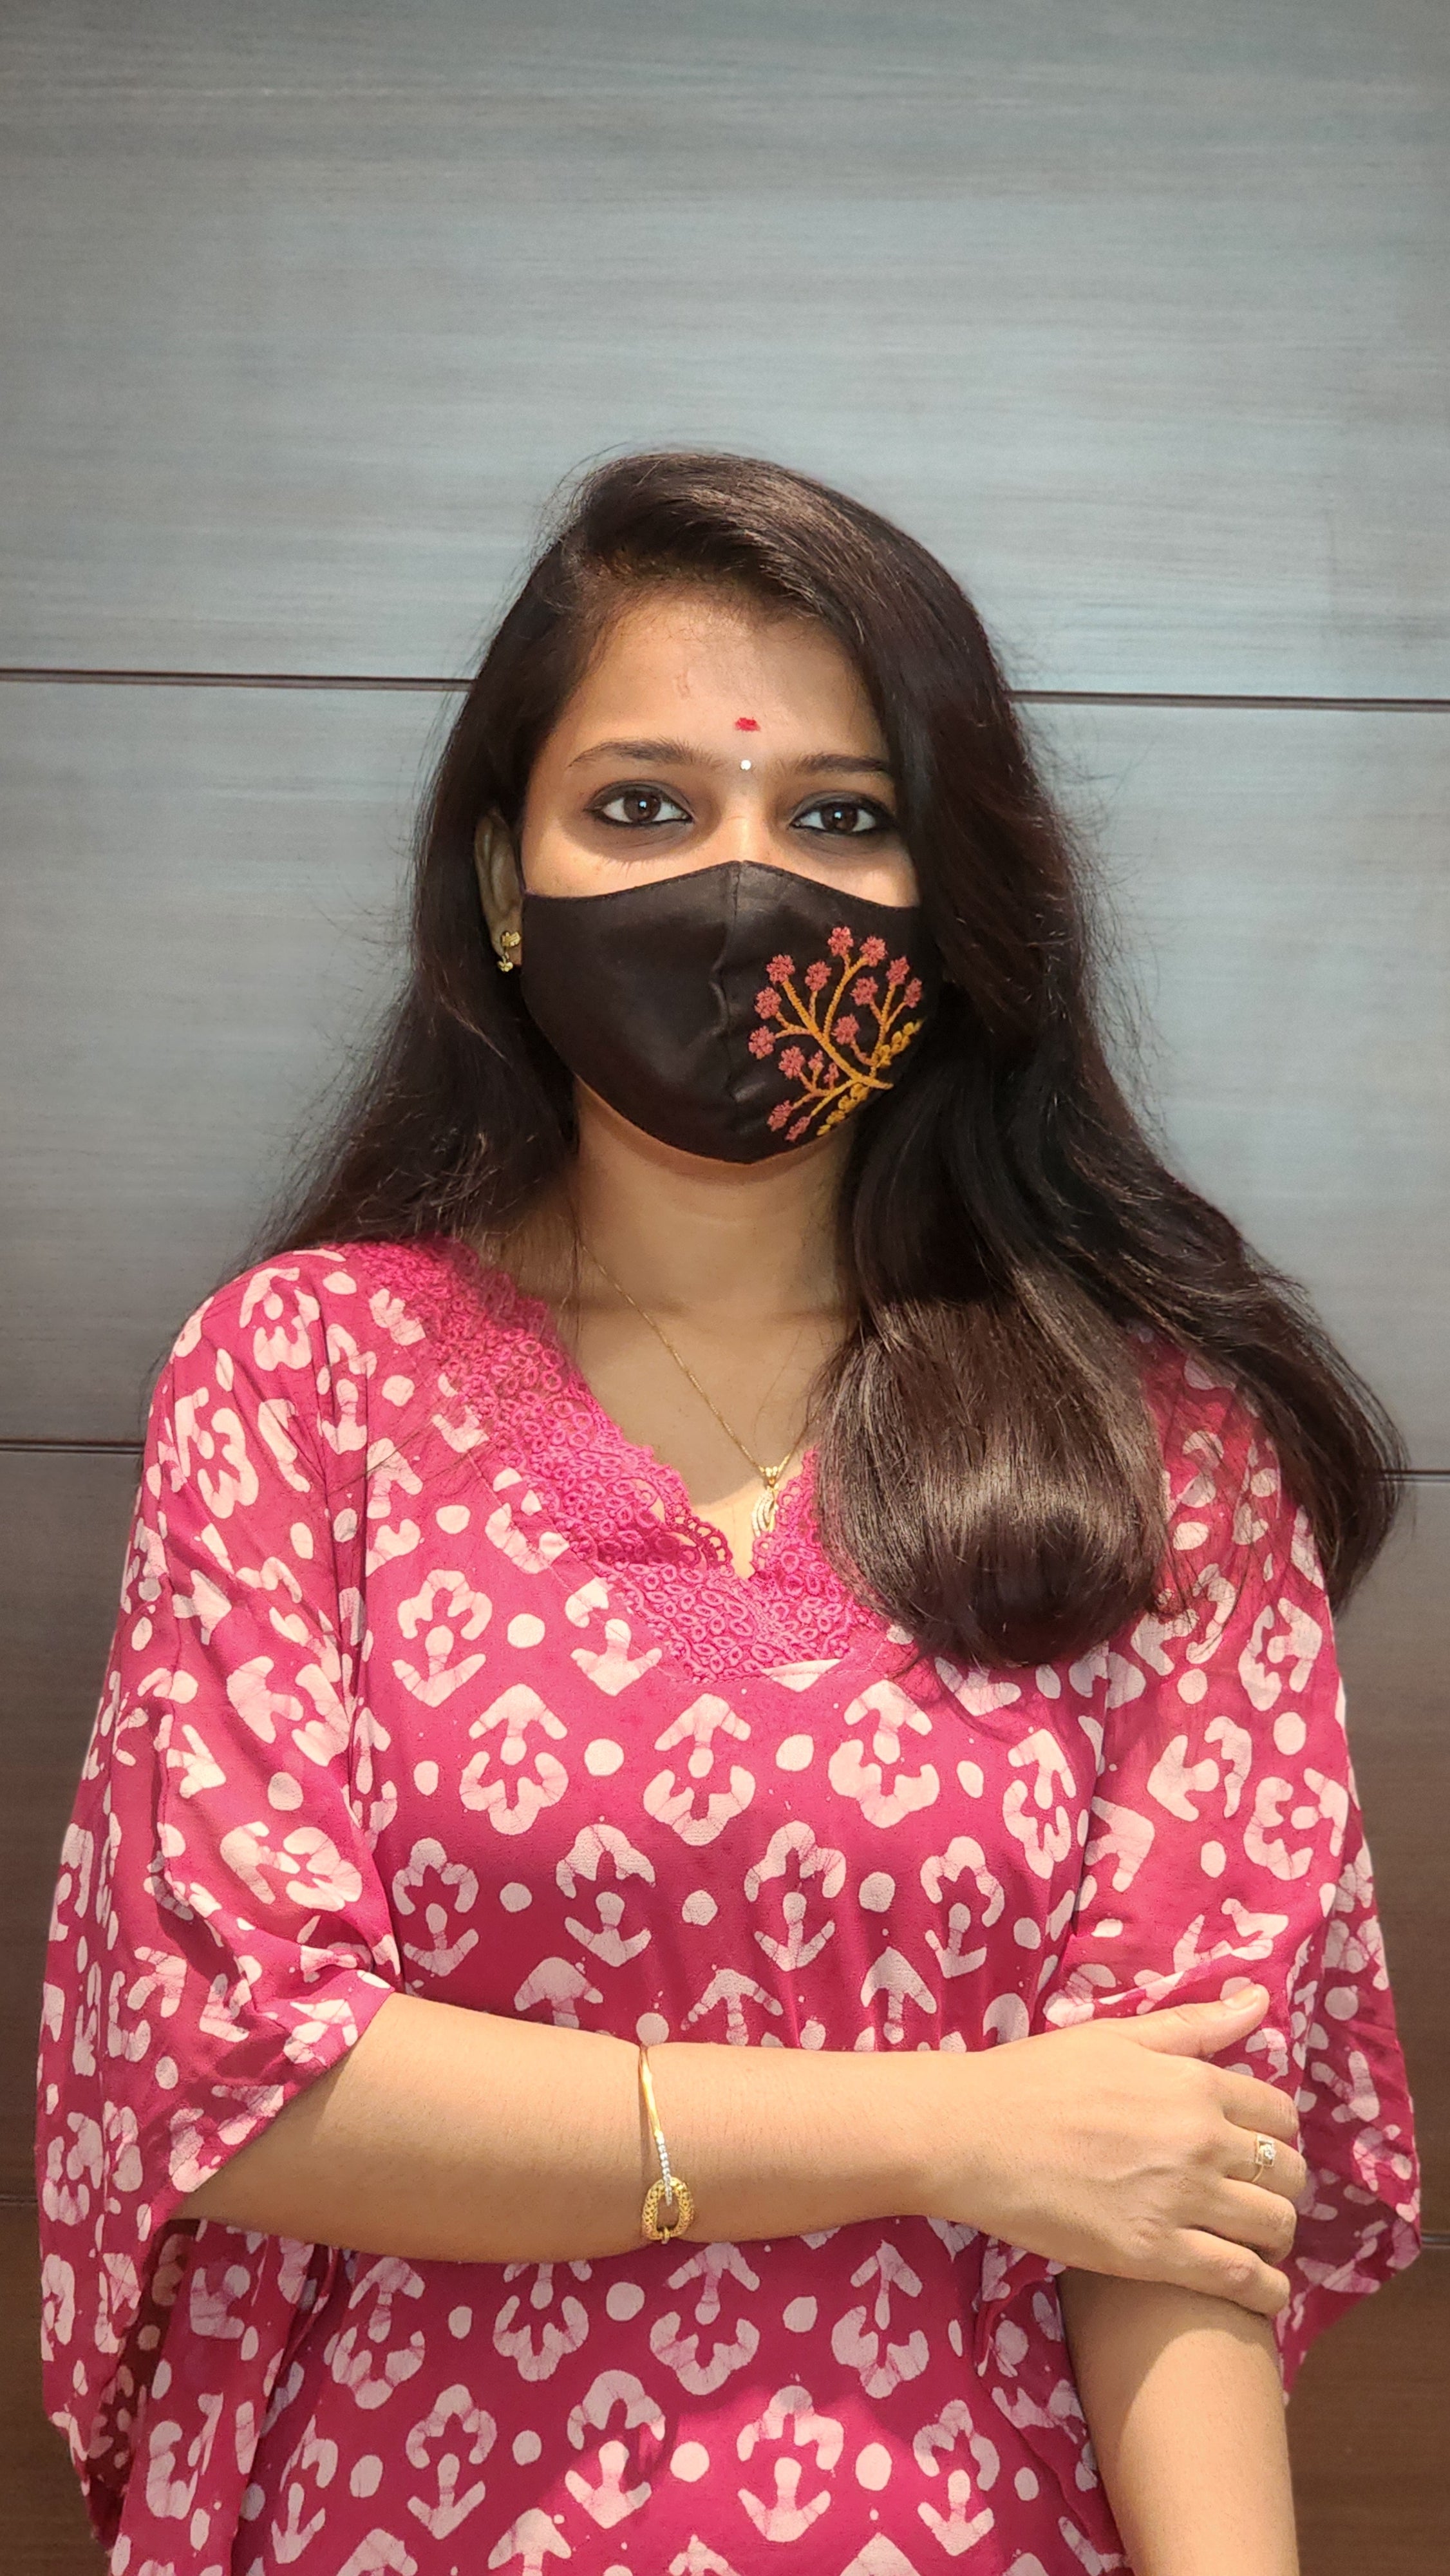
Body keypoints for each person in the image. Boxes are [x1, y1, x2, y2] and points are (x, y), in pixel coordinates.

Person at [36, 451, 1418, 2576]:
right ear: (504, 880)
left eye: (839, 817)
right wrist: (956, 2129)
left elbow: (1170, 2189)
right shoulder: (306, 1379)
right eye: (643, 806)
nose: (742, 884)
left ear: (951, 892)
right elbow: (245, 2076)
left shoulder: (1156, 1446)